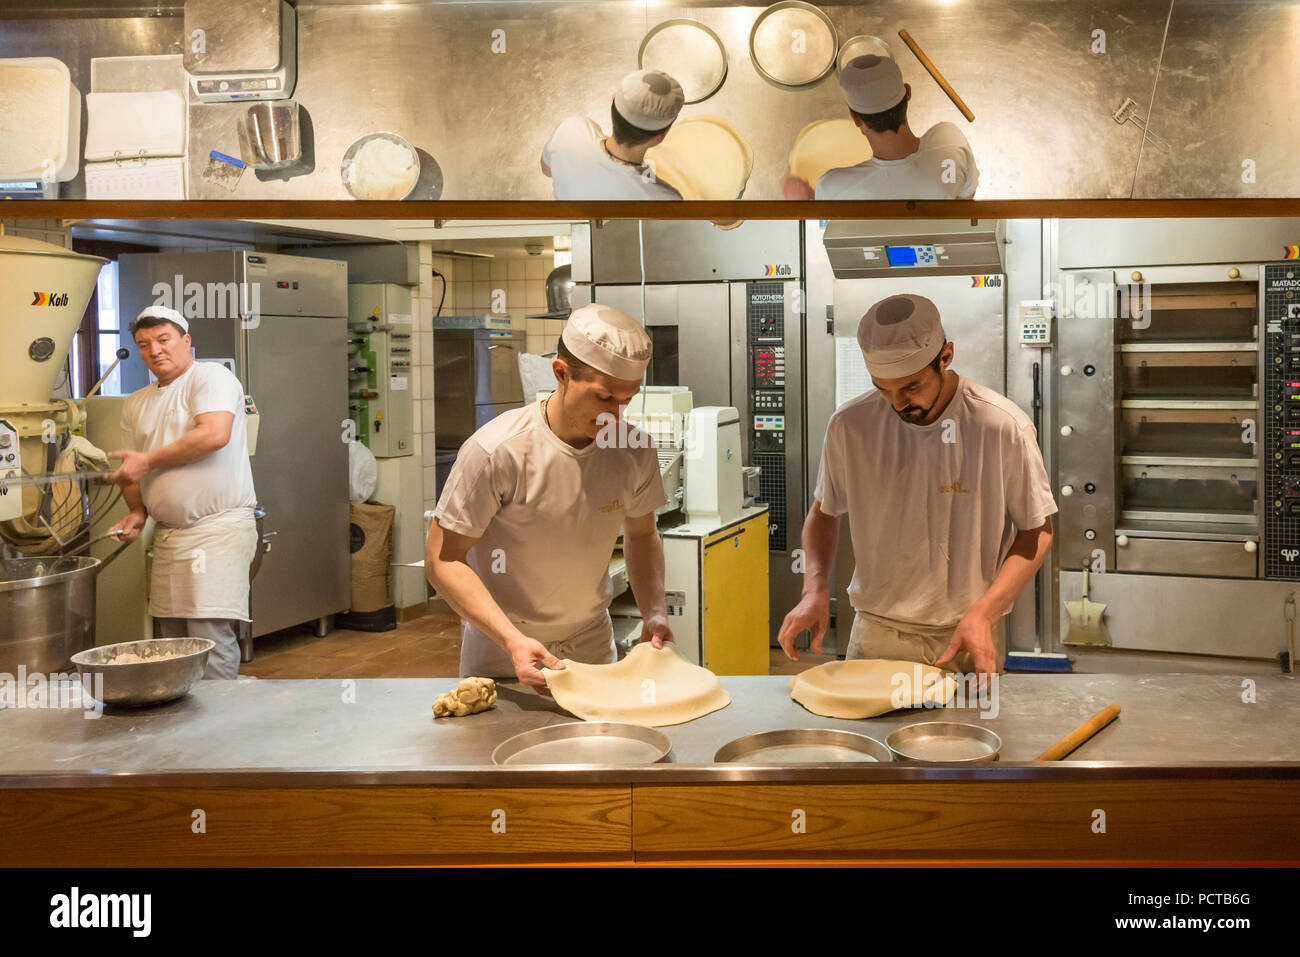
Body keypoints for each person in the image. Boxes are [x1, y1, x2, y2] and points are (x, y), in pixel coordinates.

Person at [778, 294, 1055, 675]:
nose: (897, 403)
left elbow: (1037, 532)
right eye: (882, 388)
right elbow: (824, 514)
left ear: (946, 356)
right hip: (875, 634)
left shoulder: (1002, 426)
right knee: (868, 736)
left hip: (966, 634)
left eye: (910, 388)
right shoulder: (850, 427)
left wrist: (984, 614)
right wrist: (814, 589)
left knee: (965, 735)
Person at [426, 303, 674, 689]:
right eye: (605, 398)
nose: (617, 417)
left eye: (627, 400)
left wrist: (654, 611)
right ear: (561, 373)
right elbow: (443, 559)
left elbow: (641, 535)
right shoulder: (497, 450)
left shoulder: (633, 451)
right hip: (503, 651)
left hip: (592, 648)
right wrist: (512, 640)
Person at [107, 305, 258, 680]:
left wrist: (147, 462)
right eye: (144, 344)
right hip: (170, 535)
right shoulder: (135, 403)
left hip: (217, 528)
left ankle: (219, 725)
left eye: (163, 340)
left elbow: (213, 435)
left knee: (208, 634)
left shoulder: (211, 378)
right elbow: (132, 466)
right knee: (170, 639)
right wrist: (137, 512)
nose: (154, 350)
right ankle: (182, 731)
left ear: (186, 340)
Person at [783, 54, 979, 201]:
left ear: (856, 118)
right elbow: (964, 200)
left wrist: (805, 201)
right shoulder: (950, 142)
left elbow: (823, 228)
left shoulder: (833, 186)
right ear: (908, 93)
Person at [541, 69, 685, 200]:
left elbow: (546, 169)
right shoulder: (665, 200)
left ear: (614, 99)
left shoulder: (571, 130)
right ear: (658, 139)